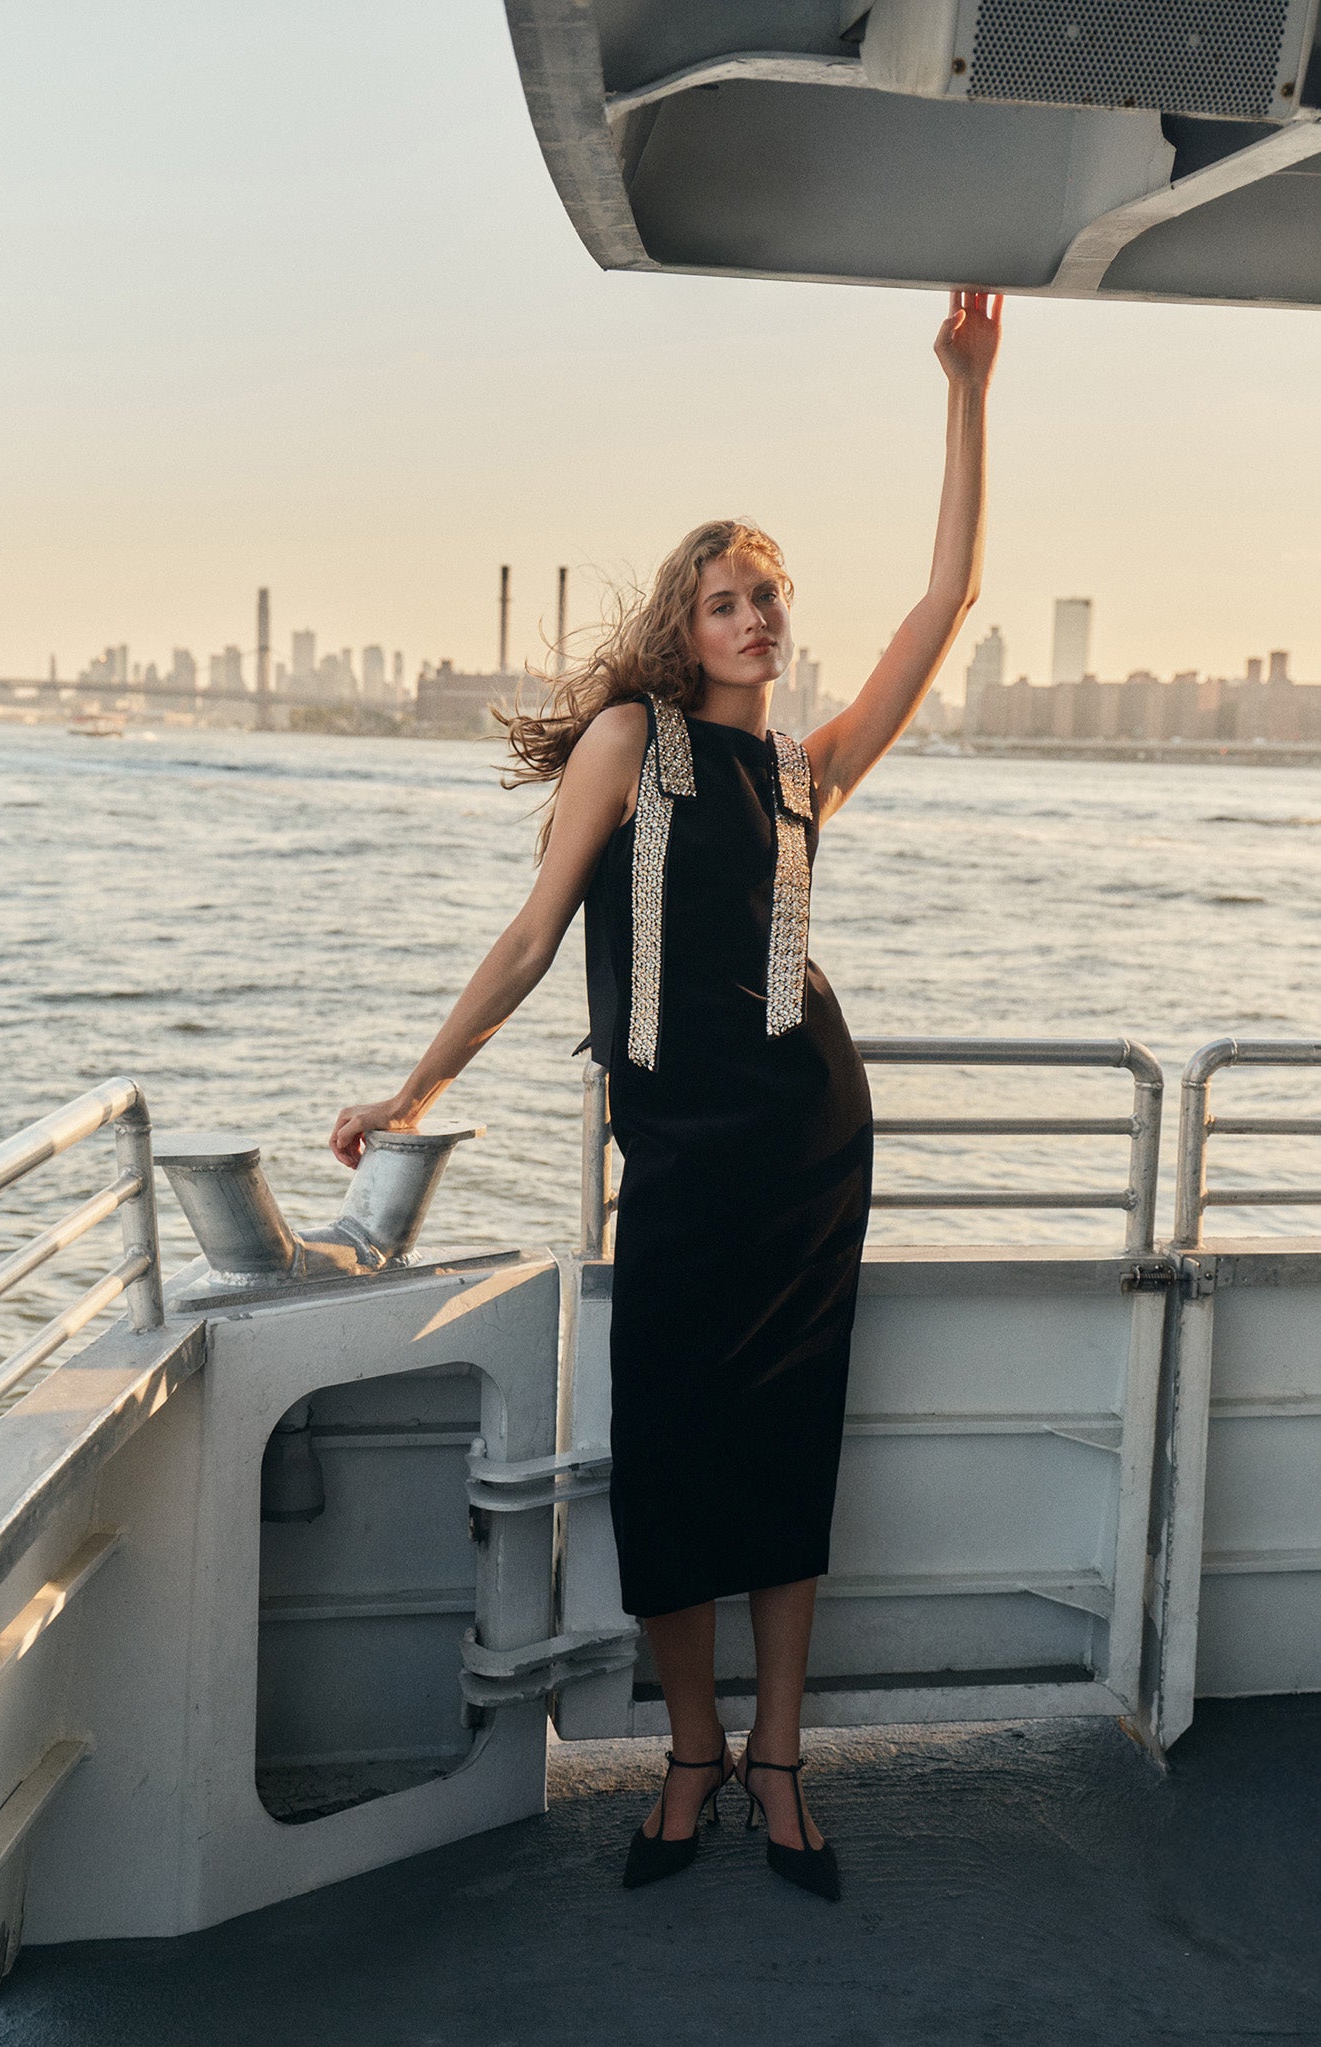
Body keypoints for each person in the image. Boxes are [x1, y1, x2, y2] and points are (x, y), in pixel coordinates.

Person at [331, 289, 1002, 1903]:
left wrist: (965, 389)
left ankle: (776, 1761)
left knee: (783, 1457)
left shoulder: (808, 772)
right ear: (678, 626)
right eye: (725, 599)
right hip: (681, 1158)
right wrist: (413, 1083)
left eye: (770, 596)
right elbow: (530, 935)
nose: (757, 617)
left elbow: (949, 594)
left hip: (804, 1147)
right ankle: (688, 1753)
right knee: (673, 1455)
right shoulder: (629, 743)